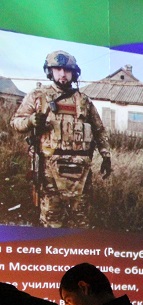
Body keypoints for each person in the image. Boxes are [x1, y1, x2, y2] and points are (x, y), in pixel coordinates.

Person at [11, 50, 111, 228]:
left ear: (74, 73)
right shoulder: (38, 96)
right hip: (49, 172)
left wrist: (106, 156)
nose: (63, 74)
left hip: (80, 173)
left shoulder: (84, 101)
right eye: (57, 69)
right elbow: (15, 122)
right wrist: (30, 121)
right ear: (50, 71)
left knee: (81, 223)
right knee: (52, 221)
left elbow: (99, 130)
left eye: (67, 70)